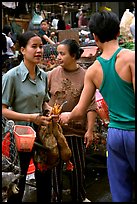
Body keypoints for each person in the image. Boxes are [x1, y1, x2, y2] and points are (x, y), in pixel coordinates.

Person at [59, 11, 135, 202]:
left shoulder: (92, 70)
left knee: (120, 192)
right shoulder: (130, 58)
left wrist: (64, 116)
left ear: (94, 37)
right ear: (118, 32)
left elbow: (79, 111)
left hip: (115, 135)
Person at [2, 31, 54, 202]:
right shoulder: (11, 77)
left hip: (41, 134)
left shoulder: (43, 75)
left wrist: (50, 111)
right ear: (23, 50)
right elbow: (3, 110)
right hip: (19, 137)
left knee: (45, 178)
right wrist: (31, 118)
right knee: (19, 181)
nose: (39, 50)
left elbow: (44, 102)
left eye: (41, 46)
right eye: (34, 47)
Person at [47, 39, 97, 202]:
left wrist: (90, 130)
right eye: (58, 53)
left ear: (74, 55)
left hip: (76, 131)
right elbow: (42, 97)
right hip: (54, 131)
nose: (58, 57)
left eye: (62, 53)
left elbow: (90, 105)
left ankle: (79, 197)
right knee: (54, 169)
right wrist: (48, 111)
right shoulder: (52, 74)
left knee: (76, 168)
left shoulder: (85, 75)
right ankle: (56, 198)